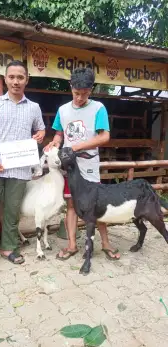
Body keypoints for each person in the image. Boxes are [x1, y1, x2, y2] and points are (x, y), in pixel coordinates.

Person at [46, 68, 120, 261]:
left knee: (96, 205)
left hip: (89, 166)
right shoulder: (63, 110)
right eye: (76, 93)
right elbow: (59, 133)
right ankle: (72, 245)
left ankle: (105, 243)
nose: (79, 98)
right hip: (70, 168)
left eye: (85, 94)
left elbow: (105, 136)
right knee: (71, 205)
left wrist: (77, 146)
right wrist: (55, 142)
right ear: (70, 87)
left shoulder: (98, 108)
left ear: (91, 89)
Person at [0, 60, 45, 272]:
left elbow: (40, 131)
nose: (16, 81)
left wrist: (41, 135)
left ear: (27, 80)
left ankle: (8, 247)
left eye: (20, 77)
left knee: (12, 211)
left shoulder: (34, 107)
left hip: (20, 168)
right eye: (12, 77)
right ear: (5, 79)